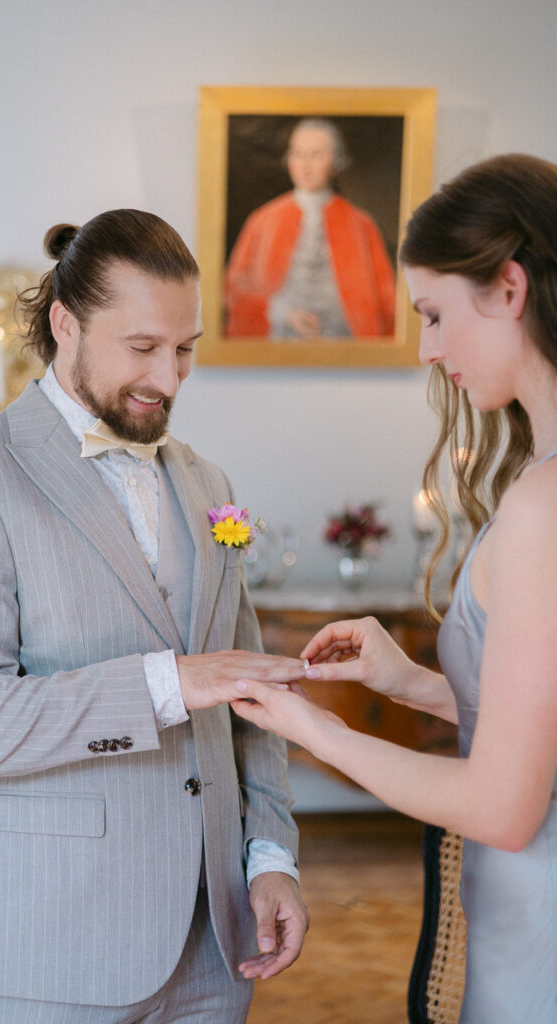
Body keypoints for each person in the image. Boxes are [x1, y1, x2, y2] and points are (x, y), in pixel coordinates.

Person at [0, 209, 309, 1023]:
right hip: (51, 941)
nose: (171, 376)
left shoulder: (206, 478)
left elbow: (247, 694)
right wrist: (165, 684)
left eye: (186, 349)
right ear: (65, 325)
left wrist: (270, 856)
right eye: (143, 347)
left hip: (214, 946)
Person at [231, 154, 557, 1023]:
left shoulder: (541, 507)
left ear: (509, 288)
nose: (426, 349)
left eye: (434, 314)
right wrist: (407, 683)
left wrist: (316, 731)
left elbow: (502, 805)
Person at [224, 117, 396, 339]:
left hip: (344, 349)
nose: (305, 165)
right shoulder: (263, 219)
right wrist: (281, 311)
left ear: (335, 162)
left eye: (316, 155)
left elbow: (386, 302)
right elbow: (235, 288)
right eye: (298, 154)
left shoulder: (361, 224)